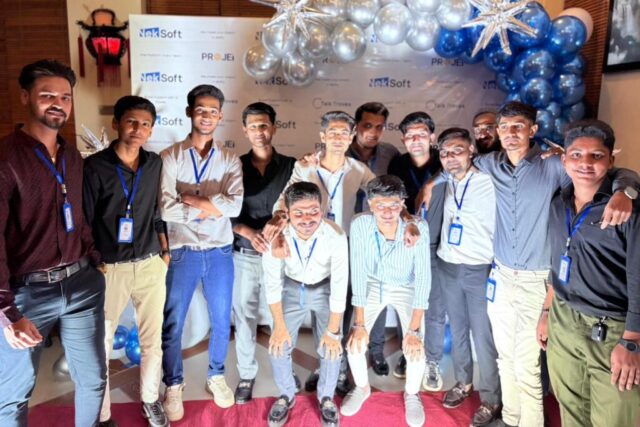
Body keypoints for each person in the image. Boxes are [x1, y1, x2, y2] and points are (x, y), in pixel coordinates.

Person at [420, 101, 638, 427]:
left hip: (538, 280)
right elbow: (456, 160)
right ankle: (511, 418)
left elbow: (611, 171)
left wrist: (626, 190)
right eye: (504, 127)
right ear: (497, 132)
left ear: (532, 130)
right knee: (505, 357)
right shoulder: (490, 164)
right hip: (501, 276)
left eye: (518, 127)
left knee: (527, 365)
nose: (510, 133)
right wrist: (430, 183)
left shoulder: (554, 165)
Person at [0, 59, 106, 426]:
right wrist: (7, 312)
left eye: (65, 97)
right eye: (47, 96)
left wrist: (94, 259)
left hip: (82, 285)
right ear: (25, 97)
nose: (58, 104)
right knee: (12, 396)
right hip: (27, 295)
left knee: (93, 381)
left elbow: (78, 215)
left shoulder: (71, 155)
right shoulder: (5, 158)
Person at [536, 119, 640, 427]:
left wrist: (632, 340)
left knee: (613, 418)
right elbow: (558, 262)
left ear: (611, 161)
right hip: (564, 319)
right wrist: (546, 311)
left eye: (596, 156)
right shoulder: (559, 203)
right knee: (570, 409)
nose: (585, 163)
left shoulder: (628, 210)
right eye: (577, 155)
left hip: (612, 328)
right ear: (564, 160)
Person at [83, 96, 169, 427]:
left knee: (152, 340)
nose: (138, 129)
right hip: (110, 268)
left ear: (151, 130)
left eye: (145, 124)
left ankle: (150, 400)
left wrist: (165, 250)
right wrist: (95, 261)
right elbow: (85, 220)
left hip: (150, 263)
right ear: (116, 123)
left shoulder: (154, 164)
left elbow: (156, 211)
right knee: (102, 344)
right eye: (131, 121)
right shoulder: (95, 167)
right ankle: (103, 414)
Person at [159, 84, 243, 421]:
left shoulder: (230, 159)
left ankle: (216, 376)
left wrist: (191, 200)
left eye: (212, 111)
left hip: (220, 251)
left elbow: (234, 206)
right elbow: (166, 208)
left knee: (222, 321)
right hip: (183, 250)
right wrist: (211, 207)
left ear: (220, 116)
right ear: (189, 113)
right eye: (200, 109)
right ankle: (173, 383)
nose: (206, 116)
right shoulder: (170, 157)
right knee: (173, 323)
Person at [341, 175, 430, 427]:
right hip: (373, 283)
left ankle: (412, 394)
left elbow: (423, 279)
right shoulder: (360, 224)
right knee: (355, 342)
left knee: (415, 346)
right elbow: (359, 274)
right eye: (380, 205)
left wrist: (413, 331)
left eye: (394, 205)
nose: (387, 212)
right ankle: (362, 387)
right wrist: (359, 325)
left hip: (406, 285)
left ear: (402, 203)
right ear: (370, 204)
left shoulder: (418, 227)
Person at [264, 182, 348, 427]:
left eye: (313, 211)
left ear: (322, 209)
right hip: (292, 288)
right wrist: (279, 326)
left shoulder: (336, 235)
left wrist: (333, 331)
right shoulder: (276, 236)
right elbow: (272, 282)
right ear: (287, 213)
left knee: (332, 345)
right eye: (298, 213)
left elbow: (340, 285)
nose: (307, 219)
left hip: (325, 288)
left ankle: (326, 397)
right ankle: (286, 395)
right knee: (278, 344)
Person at [434, 128, 501, 426]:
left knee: (483, 335)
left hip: (479, 268)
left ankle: (491, 397)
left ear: (472, 150)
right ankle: (463, 382)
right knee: (458, 328)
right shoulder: (444, 181)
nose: (450, 157)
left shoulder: (490, 179)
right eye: (444, 153)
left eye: (457, 150)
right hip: (448, 265)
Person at [231, 102, 296, 404]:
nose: (259, 131)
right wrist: (248, 232)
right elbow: (222, 211)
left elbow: (301, 207)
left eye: (264, 125)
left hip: (280, 256)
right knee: (244, 316)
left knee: (280, 317)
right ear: (245, 130)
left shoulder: (291, 166)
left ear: (274, 128)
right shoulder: (233, 166)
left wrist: (280, 228)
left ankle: (284, 370)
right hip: (244, 254)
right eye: (253, 126)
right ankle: (246, 374)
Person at [388, 112, 447, 391]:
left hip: (438, 243)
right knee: (408, 303)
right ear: (403, 139)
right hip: (406, 242)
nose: (416, 140)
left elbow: (466, 165)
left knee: (434, 306)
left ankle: (432, 360)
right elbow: (392, 199)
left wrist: (430, 183)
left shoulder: (443, 160)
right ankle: (407, 351)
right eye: (410, 136)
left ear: (432, 137)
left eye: (422, 134)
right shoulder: (397, 163)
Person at [346, 102, 402, 378]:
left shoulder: (390, 154)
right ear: (356, 126)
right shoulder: (338, 150)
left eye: (379, 127)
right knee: (345, 295)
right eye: (367, 125)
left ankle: (376, 350)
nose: (373, 132)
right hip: (344, 233)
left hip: (378, 235)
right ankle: (340, 354)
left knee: (377, 292)